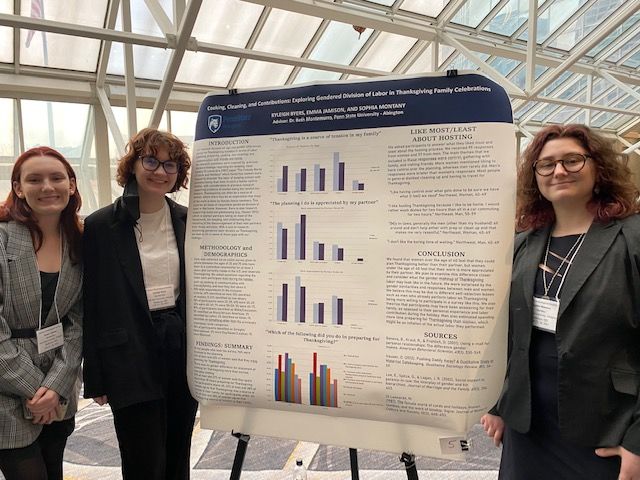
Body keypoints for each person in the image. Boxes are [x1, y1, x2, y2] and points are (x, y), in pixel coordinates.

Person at [481, 124, 640, 479]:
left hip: (605, 425)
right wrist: (497, 403)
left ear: (598, 169)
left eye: (572, 160)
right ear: (535, 177)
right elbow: (509, 334)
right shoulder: (524, 243)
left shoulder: (632, 238)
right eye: (547, 164)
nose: (559, 171)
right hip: (529, 425)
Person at [82, 128, 197, 480]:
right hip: (128, 352)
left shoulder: (187, 219)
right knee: (143, 460)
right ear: (132, 165)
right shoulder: (101, 225)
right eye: (151, 160)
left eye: (170, 165)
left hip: (178, 347)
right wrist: (96, 377)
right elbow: (93, 300)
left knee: (178, 452)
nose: (160, 171)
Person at [0, 146, 83, 480]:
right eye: (34, 179)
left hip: (57, 379)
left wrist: (57, 384)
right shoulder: (3, 238)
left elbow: (79, 319)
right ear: (19, 188)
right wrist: (36, 389)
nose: (48, 186)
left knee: (54, 470)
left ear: (72, 185)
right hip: (6, 387)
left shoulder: (79, 240)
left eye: (57, 178)